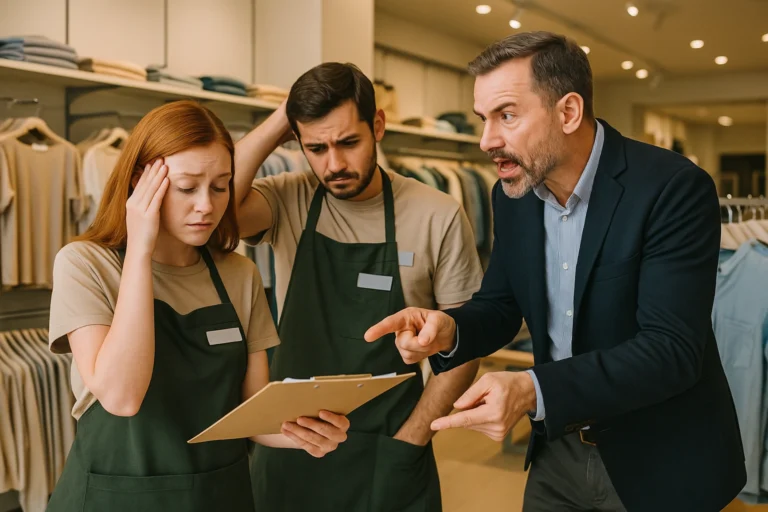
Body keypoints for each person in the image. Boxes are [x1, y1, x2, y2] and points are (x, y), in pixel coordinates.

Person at [365, 31, 747, 512]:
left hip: (658, 455)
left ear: (568, 112)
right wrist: (451, 329)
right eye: (484, 118)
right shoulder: (513, 197)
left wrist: (531, 388)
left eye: (506, 115)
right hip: (559, 449)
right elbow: (502, 305)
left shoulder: (672, 189)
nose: (487, 140)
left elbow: (671, 350)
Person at [46, 100, 349, 512]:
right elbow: (122, 397)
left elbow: (252, 408)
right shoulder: (85, 265)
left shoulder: (239, 275)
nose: (207, 205)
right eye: (187, 188)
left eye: (221, 186)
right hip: (113, 498)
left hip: (217, 495)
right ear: (141, 183)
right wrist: (139, 250)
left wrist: (303, 432)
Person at [234, 62, 484, 511]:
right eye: (316, 147)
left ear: (379, 126)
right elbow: (217, 207)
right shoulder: (289, 198)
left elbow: (467, 344)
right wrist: (280, 118)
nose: (334, 164)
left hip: (388, 448)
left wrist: (412, 437)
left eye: (348, 142)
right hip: (290, 444)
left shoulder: (437, 213)